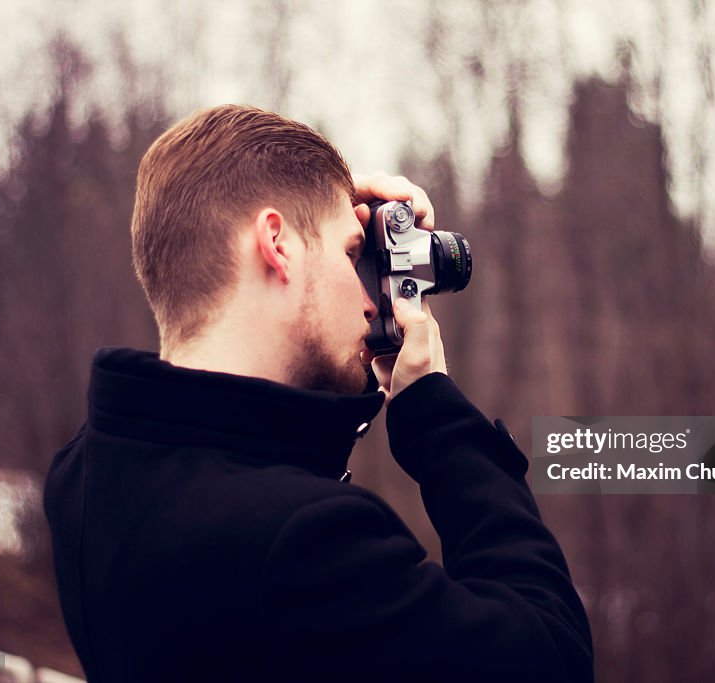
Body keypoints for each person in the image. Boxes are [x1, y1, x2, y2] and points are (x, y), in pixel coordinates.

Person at [42, 104, 593, 682]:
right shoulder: (305, 542)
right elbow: (551, 654)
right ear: (276, 243)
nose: (370, 300)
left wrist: (320, 197)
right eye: (353, 254)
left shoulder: (85, 474)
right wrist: (437, 417)